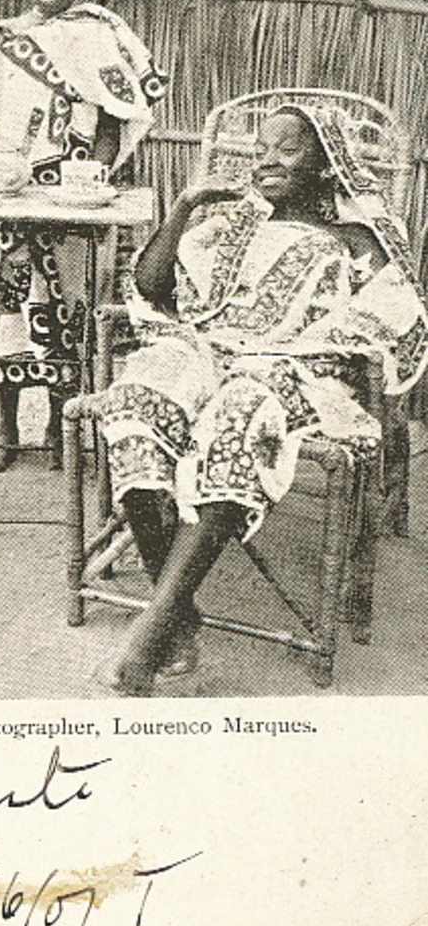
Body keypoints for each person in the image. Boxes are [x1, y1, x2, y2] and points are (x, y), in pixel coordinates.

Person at [87, 104, 428, 696]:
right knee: (134, 402)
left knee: (240, 417)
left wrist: (330, 341)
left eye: (288, 149)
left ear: (326, 165)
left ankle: (151, 630)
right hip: (202, 353)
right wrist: (187, 206)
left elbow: (395, 311)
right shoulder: (226, 227)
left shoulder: (353, 239)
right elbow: (150, 287)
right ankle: (180, 615)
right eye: (261, 149)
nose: (268, 160)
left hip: (293, 370)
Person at [0, 0, 166, 471]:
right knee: (12, 304)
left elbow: (114, 118)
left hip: (72, 197)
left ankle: (61, 423)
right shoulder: (2, 36)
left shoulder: (100, 35)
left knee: (70, 309)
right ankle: (6, 425)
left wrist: (93, 173)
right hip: (10, 193)